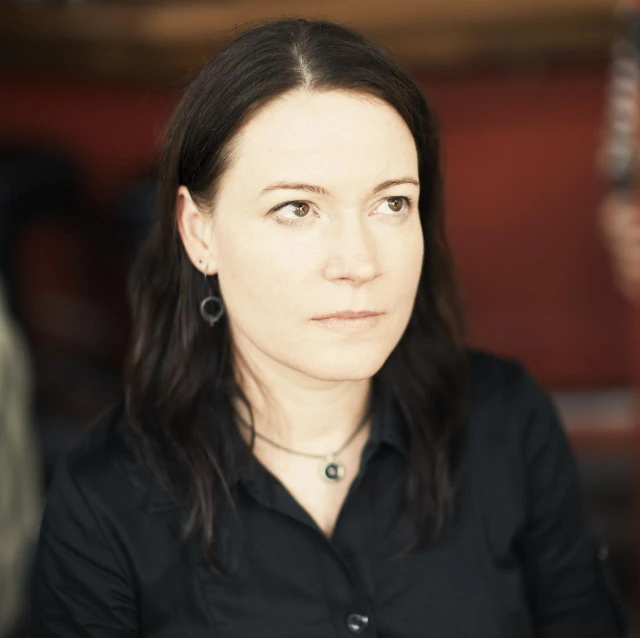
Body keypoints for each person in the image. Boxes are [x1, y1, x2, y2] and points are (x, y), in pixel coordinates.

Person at [30, 18, 628, 637]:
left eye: (392, 203)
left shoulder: (507, 422)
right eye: (297, 208)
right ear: (198, 231)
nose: (360, 263)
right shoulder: (106, 502)